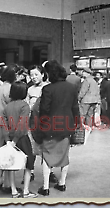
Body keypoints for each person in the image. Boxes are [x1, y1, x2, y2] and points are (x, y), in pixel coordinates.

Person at [34, 60, 80, 196]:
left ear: (50, 73)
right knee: (64, 155)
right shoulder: (71, 87)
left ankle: (46, 187)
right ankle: (62, 183)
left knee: (47, 156)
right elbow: (75, 108)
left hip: (50, 128)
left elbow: (44, 111)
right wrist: (76, 124)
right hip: (66, 127)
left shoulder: (47, 89)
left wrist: (41, 127)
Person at [0, 81, 38, 198]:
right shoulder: (24, 106)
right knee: (29, 163)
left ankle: (14, 191)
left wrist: (7, 140)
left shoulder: (7, 106)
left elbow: (3, 124)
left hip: (9, 138)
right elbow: (22, 125)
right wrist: (15, 140)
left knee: (11, 165)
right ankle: (25, 191)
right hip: (21, 138)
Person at [0, 64, 21, 193]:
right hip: (7, 124)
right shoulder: (11, 89)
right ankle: (7, 184)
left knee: (1, 152)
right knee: (9, 155)